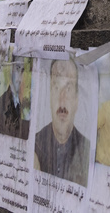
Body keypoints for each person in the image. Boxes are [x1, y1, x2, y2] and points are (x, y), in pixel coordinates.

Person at [34, 57, 90, 186]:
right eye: (56, 88)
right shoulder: (35, 145)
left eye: (68, 89)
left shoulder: (87, 151)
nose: (62, 99)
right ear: (50, 97)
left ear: (76, 100)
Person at [0, 58, 30, 140]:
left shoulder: (24, 104)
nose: (19, 78)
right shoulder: (2, 102)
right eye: (17, 69)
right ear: (11, 71)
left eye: (22, 71)